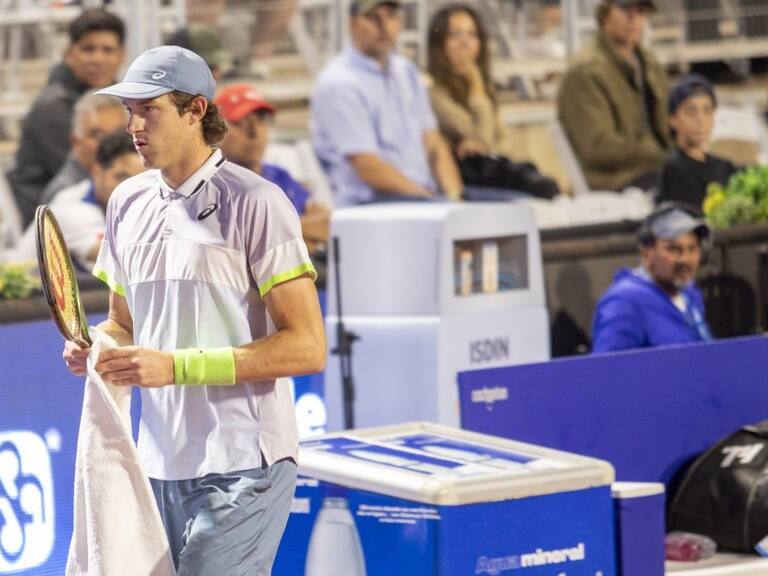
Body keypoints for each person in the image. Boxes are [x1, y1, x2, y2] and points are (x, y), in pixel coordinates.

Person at [62, 46, 326, 574]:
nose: (134, 125)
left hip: (244, 467)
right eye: (129, 111)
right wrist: (99, 346)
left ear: (196, 110)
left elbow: (307, 346)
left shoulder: (259, 203)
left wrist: (176, 367)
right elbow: (125, 322)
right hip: (156, 464)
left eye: (149, 109)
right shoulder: (126, 202)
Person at [311, 0, 463, 206]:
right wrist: (432, 202)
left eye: (390, 16)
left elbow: (435, 144)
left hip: (422, 198)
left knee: (509, 207)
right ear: (352, 23)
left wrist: (454, 197)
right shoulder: (338, 82)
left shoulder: (406, 71)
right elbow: (369, 168)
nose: (384, 26)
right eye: (373, 17)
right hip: (370, 208)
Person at [426, 3, 559, 199]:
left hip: (489, 172)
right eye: (455, 34)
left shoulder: (481, 87)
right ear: (440, 44)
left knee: (546, 187)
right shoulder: (434, 92)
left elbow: (503, 142)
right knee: (537, 193)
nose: (465, 43)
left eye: (472, 35)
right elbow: (479, 135)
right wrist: (477, 88)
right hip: (460, 180)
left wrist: (478, 88)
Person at [6, 9, 125, 226]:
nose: (98, 59)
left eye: (107, 50)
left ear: (121, 55)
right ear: (69, 54)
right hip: (45, 219)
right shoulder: (53, 107)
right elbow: (95, 170)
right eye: (88, 49)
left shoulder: (112, 99)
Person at [557, 0, 670, 192]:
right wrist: (660, 152)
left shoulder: (649, 63)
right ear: (604, 13)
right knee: (688, 183)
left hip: (654, 169)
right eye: (625, 8)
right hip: (614, 180)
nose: (634, 18)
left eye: (641, 11)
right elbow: (598, 147)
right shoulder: (586, 72)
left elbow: (668, 125)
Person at [215, 84, 329, 246]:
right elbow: (246, 246)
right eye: (241, 123)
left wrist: (282, 235)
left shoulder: (278, 175)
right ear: (216, 131)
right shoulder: (211, 187)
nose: (254, 134)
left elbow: (324, 223)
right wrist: (300, 232)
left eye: (261, 120)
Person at [8, 131, 143, 269]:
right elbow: (117, 255)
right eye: (122, 178)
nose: (131, 190)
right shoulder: (73, 209)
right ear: (96, 172)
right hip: (17, 287)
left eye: (142, 181)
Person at [592, 203, 713, 353]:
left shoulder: (690, 294)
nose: (685, 259)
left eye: (692, 248)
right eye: (673, 249)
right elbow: (609, 372)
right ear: (646, 252)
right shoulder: (623, 303)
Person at [657, 74, 738, 208]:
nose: (700, 120)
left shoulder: (725, 167)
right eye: (690, 112)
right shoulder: (672, 168)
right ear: (672, 119)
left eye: (707, 111)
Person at [41, 91, 127, 204]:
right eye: (98, 135)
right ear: (75, 141)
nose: (110, 143)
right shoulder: (63, 194)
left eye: (118, 133)